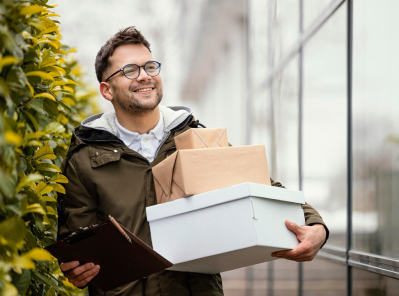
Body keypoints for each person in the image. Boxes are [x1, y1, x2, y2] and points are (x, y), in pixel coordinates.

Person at [58, 27, 329, 296]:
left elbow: (260, 186)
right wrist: (75, 270)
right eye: (130, 70)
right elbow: (77, 244)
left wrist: (316, 226)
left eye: (150, 67)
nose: (145, 77)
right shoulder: (84, 160)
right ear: (107, 90)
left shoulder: (197, 138)